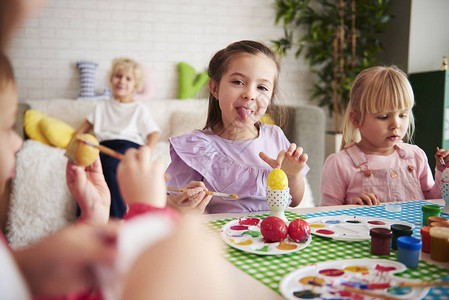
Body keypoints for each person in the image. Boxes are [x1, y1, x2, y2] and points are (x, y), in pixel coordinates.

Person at [0, 51, 119, 299]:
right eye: (7, 127)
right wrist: (150, 210)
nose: (17, 143)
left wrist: (93, 215)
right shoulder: (102, 108)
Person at [165, 40, 309, 214]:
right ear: (215, 88)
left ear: (271, 98)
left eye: (262, 87)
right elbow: (169, 203)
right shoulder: (196, 147)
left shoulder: (275, 136)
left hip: (273, 236)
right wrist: (184, 204)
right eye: (238, 82)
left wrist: (293, 174)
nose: (250, 94)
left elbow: (295, 201)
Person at [320, 66, 448, 206]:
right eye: (383, 116)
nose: (395, 124)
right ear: (356, 119)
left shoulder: (416, 156)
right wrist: (353, 209)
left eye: (402, 115)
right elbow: (328, 216)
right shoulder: (340, 163)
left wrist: (443, 173)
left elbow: (433, 205)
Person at [73, 57, 160, 218]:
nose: (122, 81)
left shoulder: (139, 108)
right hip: (103, 146)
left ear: (135, 86)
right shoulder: (101, 106)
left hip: (128, 146)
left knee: (112, 166)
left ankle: (118, 218)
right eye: (118, 76)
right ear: (111, 79)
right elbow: (81, 132)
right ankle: (87, 217)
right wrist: (74, 145)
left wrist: (147, 149)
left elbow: (153, 135)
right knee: (89, 172)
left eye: (128, 79)